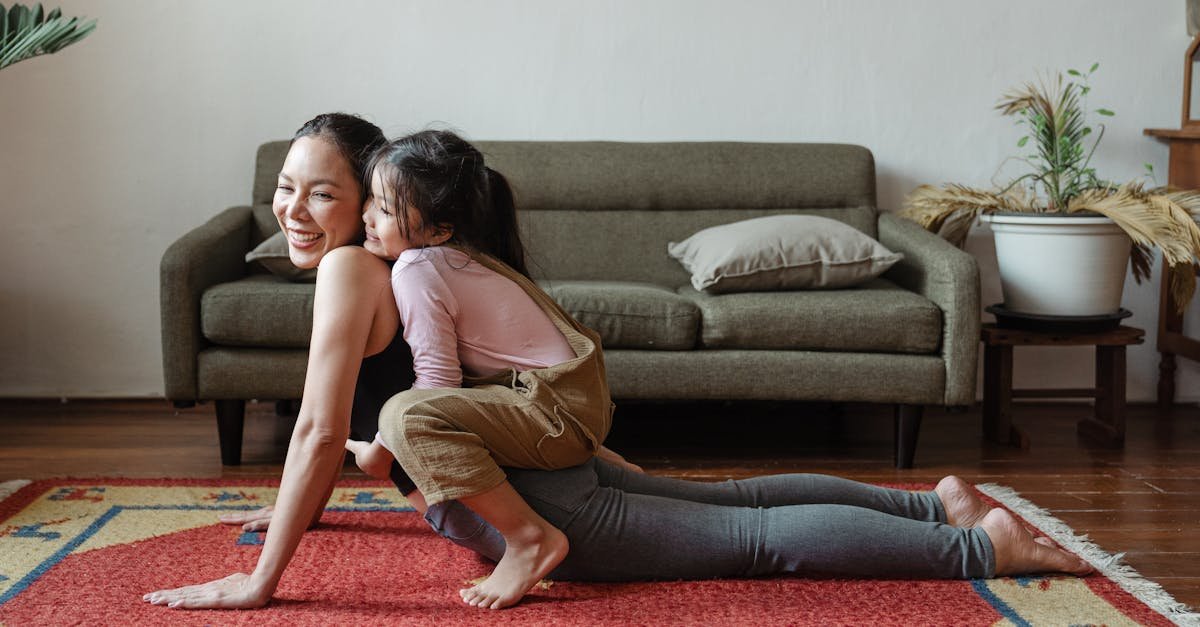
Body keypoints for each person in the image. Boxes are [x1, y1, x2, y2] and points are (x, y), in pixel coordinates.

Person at [143, 115, 1092, 613]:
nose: (295, 212)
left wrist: (263, 577)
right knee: (741, 504)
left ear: (375, 202)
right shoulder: (417, 263)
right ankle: (938, 504)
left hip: (536, 501)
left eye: (323, 193)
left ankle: (977, 546)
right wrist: (300, 499)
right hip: (538, 457)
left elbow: (326, 426)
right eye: (283, 190)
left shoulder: (361, 268)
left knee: (753, 542)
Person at [344, 130, 633, 609]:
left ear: (440, 228)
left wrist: (380, 450)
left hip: (557, 416)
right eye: (371, 201)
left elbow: (437, 385)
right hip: (571, 407)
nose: (368, 218)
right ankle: (598, 457)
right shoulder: (458, 259)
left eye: (387, 209)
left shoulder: (417, 267)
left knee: (405, 415)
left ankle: (529, 538)